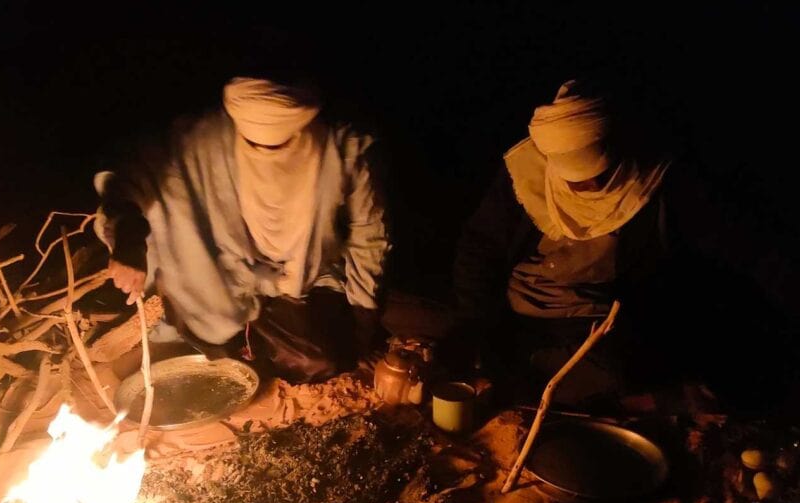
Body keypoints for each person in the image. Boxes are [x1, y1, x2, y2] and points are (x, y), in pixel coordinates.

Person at [451, 77, 798, 410]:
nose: (588, 187)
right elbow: (480, 248)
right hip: (521, 310)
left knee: (623, 381)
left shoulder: (651, 182)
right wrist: (481, 325)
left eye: (598, 173)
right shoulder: (526, 177)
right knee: (494, 382)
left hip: (599, 320)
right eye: (575, 178)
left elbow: (744, 246)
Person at [93, 73, 389, 383]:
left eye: (285, 143)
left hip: (307, 279)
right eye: (253, 144)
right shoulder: (203, 140)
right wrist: (128, 239)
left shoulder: (345, 150)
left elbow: (369, 238)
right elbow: (130, 179)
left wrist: (362, 322)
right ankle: (207, 328)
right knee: (212, 336)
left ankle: (257, 337)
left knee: (315, 362)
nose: (267, 154)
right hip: (226, 273)